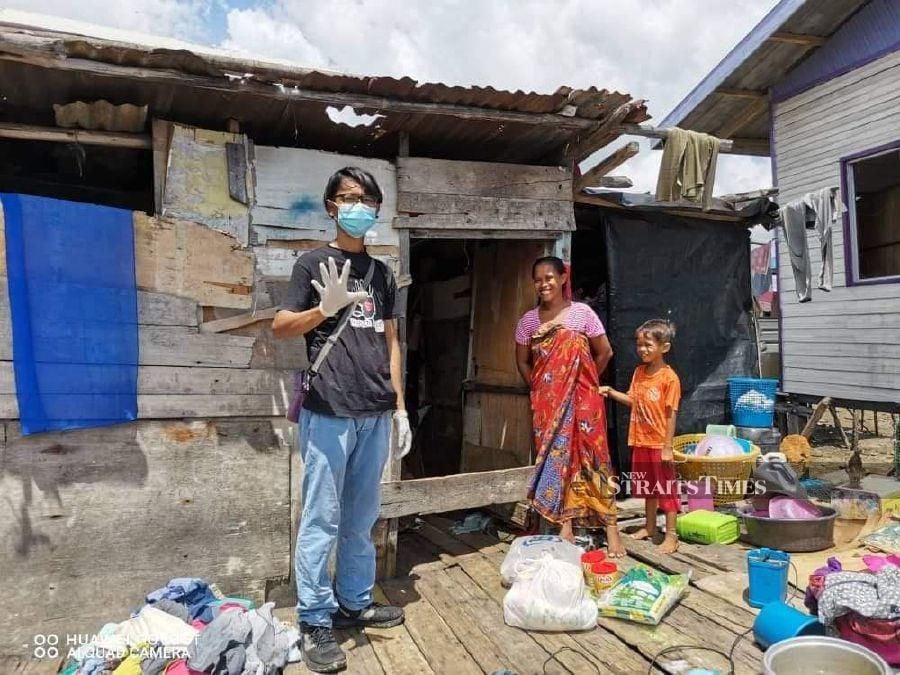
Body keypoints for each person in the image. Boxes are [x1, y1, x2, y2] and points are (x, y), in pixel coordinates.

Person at [272, 167, 411, 673]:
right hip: (329, 409)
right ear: (331, 206)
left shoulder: (381, 273)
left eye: (367, 200)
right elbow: (281, 327)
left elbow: (391, 341)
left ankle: (354, 601)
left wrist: (398, 406)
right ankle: (313, 617)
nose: (359, 207)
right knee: (320, 519)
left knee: (360, 519)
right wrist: (322, 310)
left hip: (374, 410)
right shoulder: (311, 263)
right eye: (349, 198)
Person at [514, 256, 625, 557]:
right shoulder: (528, 321)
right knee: (558, 460)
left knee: (595, 458)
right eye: (538, 279)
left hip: (584, 401)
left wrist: (584, 383)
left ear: (563, 278)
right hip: (548, 404)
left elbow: (605, 352)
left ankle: (611, 528)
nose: (543, 283)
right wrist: (541, 387)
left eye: (549, 277)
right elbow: (523, 362)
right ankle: (565, 525)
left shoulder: (582, 313)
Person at [601, 319, 681, 554]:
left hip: (658, 443)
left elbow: (671, 414)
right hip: (640, 440)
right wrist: (611, 392)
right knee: (648, 488)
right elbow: (633, 401)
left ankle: (672, 535)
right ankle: (649, 527)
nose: (642, 349)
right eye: (639, 344)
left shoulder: (669, 378)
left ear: (664, 347)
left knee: (666, 489)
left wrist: (667, 447)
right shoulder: (638, 372)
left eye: (648, 345)